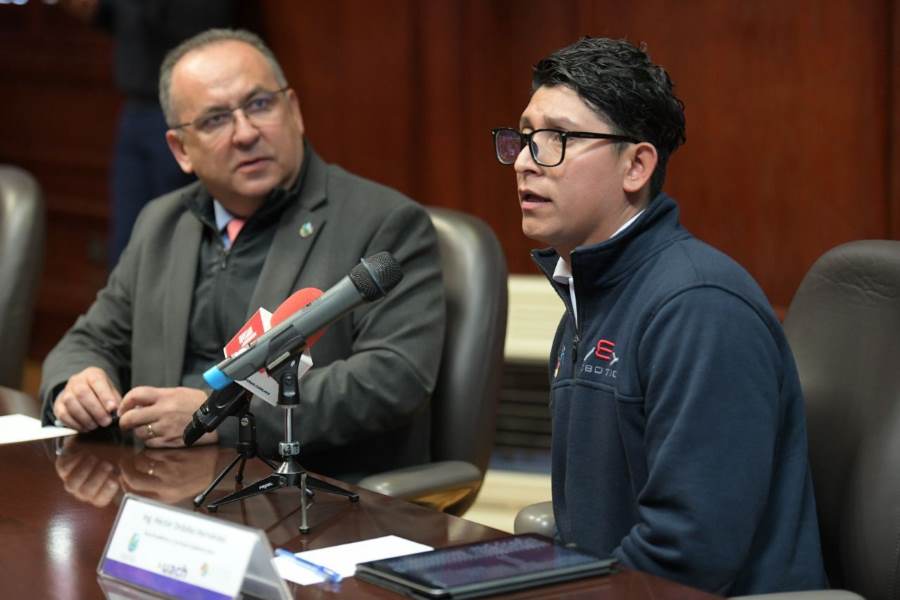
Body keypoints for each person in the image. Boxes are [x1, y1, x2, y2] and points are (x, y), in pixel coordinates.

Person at [491, 37, 826, 594]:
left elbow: (687, 553)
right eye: (524, 138)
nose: (525, 161)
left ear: (637, 165)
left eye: (558, 139)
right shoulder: (586, 295)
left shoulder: (698, 308)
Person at [40, 28, 446, 481]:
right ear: (180, 150)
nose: (246, 133)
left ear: (293, 110)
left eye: (259, 105)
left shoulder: (384, 222)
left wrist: (219, 417)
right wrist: (76, 383)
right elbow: (90, 340)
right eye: (215, 120)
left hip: (306, 492)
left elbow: (392, 379)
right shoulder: (163, 222)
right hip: (163, 487)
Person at [59, 0, 238, 266]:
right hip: (134, 108)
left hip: (183, 112)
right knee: (126, 242)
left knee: (178, 236)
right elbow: (120, 21)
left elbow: (199, 30)